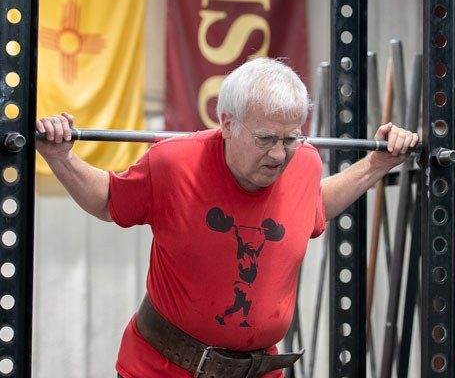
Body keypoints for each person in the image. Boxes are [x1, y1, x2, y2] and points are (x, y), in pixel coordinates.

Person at [36, 57, 419, 378]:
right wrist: (60, 157)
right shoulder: (173, 163)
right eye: (265, 138)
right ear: (228, 123)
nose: (278, 156)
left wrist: (377, 164)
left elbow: (313, 207)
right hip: (162, 369)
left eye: (290, 139)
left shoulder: (304, 165)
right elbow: (107, 200)